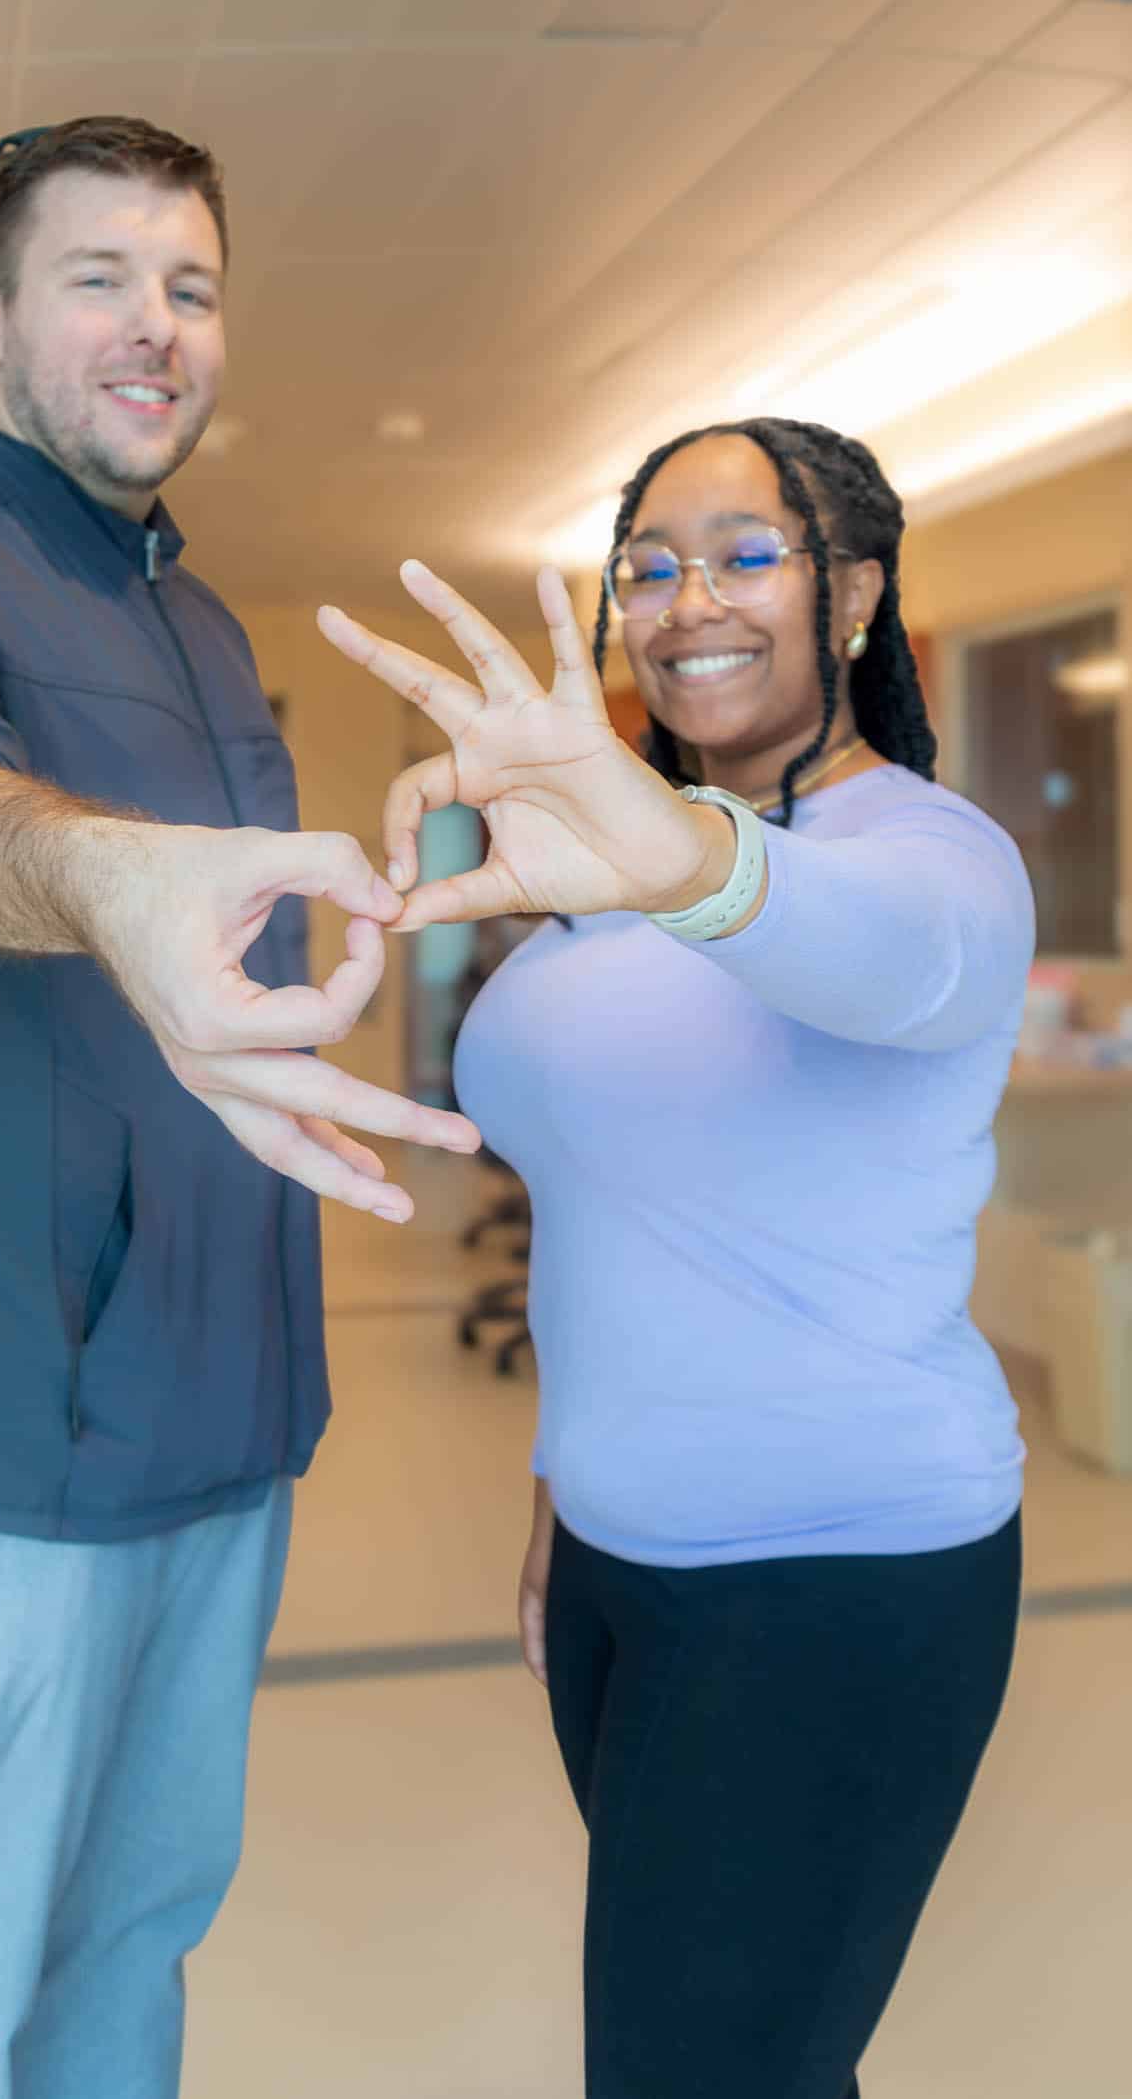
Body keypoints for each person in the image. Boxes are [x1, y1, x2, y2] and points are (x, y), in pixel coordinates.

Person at [0, 115, 476, 2099]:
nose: (154, 327)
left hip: (213, 1434)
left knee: (123, 1973)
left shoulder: (209, 628)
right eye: (99, 278)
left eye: (190, 286)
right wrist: (104, 875)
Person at [321, 416, 1033, 2099]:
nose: (682, 597)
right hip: (624, 1579)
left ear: (853, 591)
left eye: (740, 554)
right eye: (646, 565)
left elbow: (872, 955)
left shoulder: (935, 864)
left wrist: (683, 861)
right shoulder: (607, 884)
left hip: (840, 1578)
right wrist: (574, 1492)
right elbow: (623, 1208)